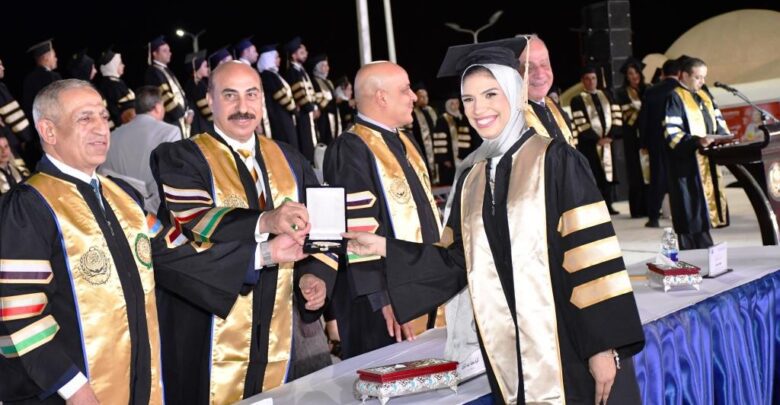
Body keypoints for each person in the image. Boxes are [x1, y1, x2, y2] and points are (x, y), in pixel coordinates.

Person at [344, 39, 644, 405]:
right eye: (468, 99)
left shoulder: (555, 160)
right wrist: (385, 247)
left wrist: (603, 346)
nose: (478, 109)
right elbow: (456, 261)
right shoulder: (473, 178)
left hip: (570, 342)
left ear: (515, 94)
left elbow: (592, 259)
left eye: (490, 94)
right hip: (509, 353)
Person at [150, 61, 336, 404]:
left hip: (279, 325)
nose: (242, 107)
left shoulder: (289, 157)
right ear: (210, 100)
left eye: (251, 95)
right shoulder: (182, 157)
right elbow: (195, 220)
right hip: (206, 325)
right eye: (230, 95)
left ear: (263, 99)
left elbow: (323, 224)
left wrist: (316, 275)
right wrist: (266, 221)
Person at [0, 79, 164, 404]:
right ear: (49, 131)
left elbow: (173, 254)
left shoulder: (124, 196)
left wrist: (261, 251)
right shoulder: (28, 207)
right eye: (85, 118)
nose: (102, 128)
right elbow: (17, 310)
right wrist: (73, 386)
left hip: (136, 375)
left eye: (103, 116)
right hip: (67, 391)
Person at [323, 61, 443, 359]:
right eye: (405, 90)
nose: (413, 96)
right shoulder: (350, 148)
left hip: (422, 288)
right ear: (381, 97)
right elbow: (355, 229)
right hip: (383, 304)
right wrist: (382, 298)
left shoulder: (405, 141)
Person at [664, 57, 730, 249]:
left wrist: (724, 136)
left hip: (706, 162)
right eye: (698, 77)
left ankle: (705, 248)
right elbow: (672, 133)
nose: (702, 81)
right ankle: (692, 253)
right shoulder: (674, 97)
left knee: (703, 211)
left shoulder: (705, 96)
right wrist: (697, 141)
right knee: (689, 212)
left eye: (704, 77)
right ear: (684, 75)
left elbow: (719, 122)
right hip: (686, 165)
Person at [100, 85, 180, 214]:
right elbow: (171, 182)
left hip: (115, 211)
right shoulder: (170, 133)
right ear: (158, 107)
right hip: (153, 216)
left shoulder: (112, 135)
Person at [570, 65, 623, 215]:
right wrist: (596, 139)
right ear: (582, 81)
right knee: (595, 174)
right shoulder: (577, 100)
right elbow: (580, 122)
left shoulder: (607, 95)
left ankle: (609, 204)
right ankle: (597, 207)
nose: (591, 81)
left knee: (609, 174)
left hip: (608, 143)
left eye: (593, 78)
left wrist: (611, 136)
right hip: (590, 145)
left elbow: (616, 115)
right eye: (587, 79)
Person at [638, 59, 680, 228]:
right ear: (679, 73)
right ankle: (680, 215)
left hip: (656, 142)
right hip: (678, 141)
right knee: (679, 177)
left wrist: (643, 143)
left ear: (662, 73)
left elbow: (644, 119)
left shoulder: (651, 91)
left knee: (657, 179)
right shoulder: (682, 90)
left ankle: (653, 217)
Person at [518, 35, 576, 145]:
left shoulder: (552, 105)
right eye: (529, 68)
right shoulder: (511, 121)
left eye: (544, 64)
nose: (540, 74)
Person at [615, 58, 648, 218]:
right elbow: (625, 115)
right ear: (626, 76)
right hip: (632, 137)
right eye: (630, 73)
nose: (634, 76)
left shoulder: (647, 89)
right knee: (635, 172)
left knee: (649, 171)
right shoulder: (622, 93)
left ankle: (651, 206)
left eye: (636, 72)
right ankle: (637, 209)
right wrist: (640, 110)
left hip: (647, 136)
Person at [22, 39, 61, 167]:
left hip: (40, 135)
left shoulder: (29, 79)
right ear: (46, 57)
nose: (56, 58)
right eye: (54, 55)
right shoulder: (52, 78)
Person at [144, 35, 191, 139]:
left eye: (169, 50)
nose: (169, 53)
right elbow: (164, 95)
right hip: (169, 120)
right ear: (155, 53)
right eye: (165, 51)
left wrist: (188, 111)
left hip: (179, 119)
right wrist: (182, 114)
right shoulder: (153, 72)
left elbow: (180, 93)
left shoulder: (166, 70)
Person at [283, 36, 320, 161]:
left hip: (309, 111)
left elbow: (310, 92)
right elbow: (299, 95)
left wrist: (315, 106)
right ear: (294, 56)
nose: (306, 54)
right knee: (307, 142)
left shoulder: (301, 71)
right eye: (302, 52)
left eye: (305, 51)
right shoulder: (292, 72)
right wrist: (311, 108)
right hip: (303, 113)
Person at [258, 44, 298, 148]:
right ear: (268, 59)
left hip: (284, 113)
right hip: (279, 115)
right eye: (276, 57)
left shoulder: (274, 74)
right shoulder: (268, 75)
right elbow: (280, 95)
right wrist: (294, 109)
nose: (279, 59)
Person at [0, 58, 35, 158]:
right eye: (0, 65)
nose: (3, 68)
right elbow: (13, 116)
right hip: (10, 141)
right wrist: (26, 137)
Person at [96, 47, 136, 127]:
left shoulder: (115, 82)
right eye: (120, 63)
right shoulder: (112, 85)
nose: (123, 65)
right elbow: (126, 110)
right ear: (113, 65)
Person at [309, 54, 342, 146]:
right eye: (324, 65)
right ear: (318, 68)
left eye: (327, 65)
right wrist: (334, 102)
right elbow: (318, 100)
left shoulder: (329, 82)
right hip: (323, 119)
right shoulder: (314, 82)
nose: (328, 68)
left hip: (333, 115)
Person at [410, 82, 439, 183]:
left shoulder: (431, 111)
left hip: (434, 147)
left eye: (426, 96)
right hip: (420, 148)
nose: (424, 98)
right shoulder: (411, 113)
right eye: (421, 96)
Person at [430, 92, 462, 185]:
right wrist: (444, 159)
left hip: (462, 158)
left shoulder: (461, 118)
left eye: (457, 103)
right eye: (452, 104)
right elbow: (439, 141)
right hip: (449, 160)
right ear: (447, 105)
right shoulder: (442, 120)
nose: (455, 106)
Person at [183, 50, 212, 136]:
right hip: (200, 125)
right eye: (205, 66)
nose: (208, 69)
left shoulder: (199, 82)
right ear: (197, 68)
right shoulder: (195, 84)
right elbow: (206, 110)